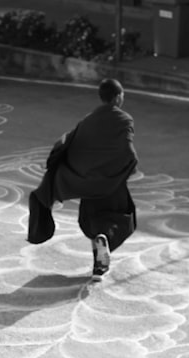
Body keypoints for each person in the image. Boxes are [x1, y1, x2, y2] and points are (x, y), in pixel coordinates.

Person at [27, 78, 138, 280]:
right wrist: (127, 169)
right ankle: (104, 249)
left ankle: (99, 264)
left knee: (92, 221)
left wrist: (76, 172)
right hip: (112, 182)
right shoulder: (124, 119)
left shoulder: (89, 119)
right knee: (123, 219)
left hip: (89, 182)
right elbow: (127, 151)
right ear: (119, 97)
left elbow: (69, 143)